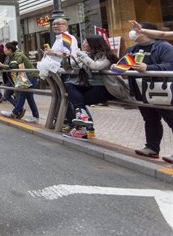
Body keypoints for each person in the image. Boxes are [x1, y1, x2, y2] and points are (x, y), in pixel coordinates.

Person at [124, 21, 173, 163]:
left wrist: (149, 67)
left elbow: (170, 65)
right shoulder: (132, 49)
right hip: (141, 90)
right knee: (150, 119)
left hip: (162, 90)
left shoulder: (164, 47)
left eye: (136, 30)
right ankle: (151, 148)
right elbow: (124, 65)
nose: (133, 32)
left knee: (171, 119)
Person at [61, 35, 118, 140]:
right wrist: (65, 58)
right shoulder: (87, 55)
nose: (83, 44)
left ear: (94, 44)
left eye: (86, 42)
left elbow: (96, 66)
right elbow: (69, 67)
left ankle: (82, 128)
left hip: (105, 88)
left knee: (77, 101)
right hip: (90, 86)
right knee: (70, 84)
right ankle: (84, 125)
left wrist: (82, 55)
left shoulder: (107, 56)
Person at [0, 41, 39, 124]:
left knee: (22, 95)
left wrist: (3, 66)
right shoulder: (9, 56)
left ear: (9, 49)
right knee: (29, 97)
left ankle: (14, 113)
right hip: (22, 77)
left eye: (5, 48)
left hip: (29, 76)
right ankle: (35, 117)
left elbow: (14, 65)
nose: (4, 50)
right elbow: (7, 65)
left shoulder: (18, 55)